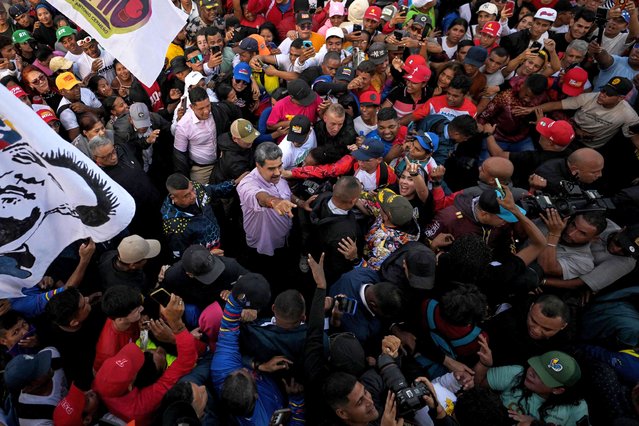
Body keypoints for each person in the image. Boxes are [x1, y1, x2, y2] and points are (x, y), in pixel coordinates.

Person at [211, 276, 305, 425]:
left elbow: (228, 328)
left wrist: (238, 297)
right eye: (249, 375)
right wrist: (296, 401)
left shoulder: (221, 370)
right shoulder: (265, 421)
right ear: (255, 395)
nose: (247, 371)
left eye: (242, 370)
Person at [93, 294, 198, 425]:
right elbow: (188, 360)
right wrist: (176, 327)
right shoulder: (144, 403)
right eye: (160, 356)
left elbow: (140, 350)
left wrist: (143, 333)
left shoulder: (105, 379)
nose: (159, 349)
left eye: (148, 352)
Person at [475, 344, 590, 425]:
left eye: (542, 376)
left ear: (557, 390)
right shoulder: (517, 373)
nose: (531, 373)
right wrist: (484, 364)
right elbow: (477, 383)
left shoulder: (576, 408)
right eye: (536, 366)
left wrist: (534, 424)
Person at [514, 76, 639, 150]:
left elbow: (634, 139)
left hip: (590, 147)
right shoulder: (589, 97)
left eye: (609, 94)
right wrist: (531, 109)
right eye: (604, 90)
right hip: (569, 134)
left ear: (621, 98)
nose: (602, 95)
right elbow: (557, 105)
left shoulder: (629, 115)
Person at [161, 172, 240, 258]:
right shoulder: (174, 225)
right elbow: (183, 258)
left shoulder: (197, 187)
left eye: (192, 190)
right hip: (205, 261)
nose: (194, 196)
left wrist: (233, 183)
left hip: (218, 239)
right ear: (174, 198)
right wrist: (206, 256)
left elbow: (214, 190)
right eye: (187, 195)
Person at [485, 295, 571, 366]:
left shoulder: (565, 344)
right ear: (531, 307)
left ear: (563, 326)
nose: (536, 330)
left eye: (546, 329)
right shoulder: (508, 320)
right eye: (533, 321)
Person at [173, 86, 218, 184]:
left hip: (220, 163)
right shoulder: (183, 126)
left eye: (208, 106)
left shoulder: (215, 110)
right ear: (192, 107)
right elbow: (179, 156)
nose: (206, 111)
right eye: (201, 108)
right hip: (201, 170)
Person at [97, 234, 161, 291]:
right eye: (146, 258)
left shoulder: (107, 255)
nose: (147, 260)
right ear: (132, 265)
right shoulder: (131, 287)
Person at [531, 148, 604, 195]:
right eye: (594, 172)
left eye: (601, 170)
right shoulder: (552, 181)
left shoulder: (569, 162)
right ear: (575, 170)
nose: (600, 175)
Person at [55, 71, 104, 140]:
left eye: (76, 86)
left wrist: (86, 108)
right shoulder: (65, 111)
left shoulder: (85, 92)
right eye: (71, 88)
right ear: (62, 92)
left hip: (102, 127)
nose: (76, 90)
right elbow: (76, 139)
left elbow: (103, 111)